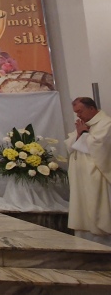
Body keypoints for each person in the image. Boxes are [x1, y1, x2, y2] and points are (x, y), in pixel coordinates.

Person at [64, 97, 111, 246]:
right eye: (76, 112)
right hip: (80, 176)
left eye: (80, 111)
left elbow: (100, 146)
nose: (78, 115)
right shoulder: (85, 124)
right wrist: (79, 134)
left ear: (91, 108)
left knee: (96, 205)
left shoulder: (106, 123)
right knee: (82, 207)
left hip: (96, 174)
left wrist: (84, 134)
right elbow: (70, 144)